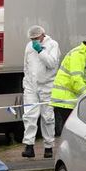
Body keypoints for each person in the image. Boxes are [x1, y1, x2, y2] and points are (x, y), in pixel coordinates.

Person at [50, 32, 86, 136]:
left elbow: (84, 80)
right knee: (72, 133)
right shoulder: (79, 54)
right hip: (66, 101)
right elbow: (76, 80)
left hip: (72, 99)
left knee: (75, 133)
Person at [21, 26, 60, 158]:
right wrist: (26, 84)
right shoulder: (29, 46)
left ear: (43, 35)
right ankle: (29, 146)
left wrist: (41, 52)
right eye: (32, 39)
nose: (34, 41)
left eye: (36, 38)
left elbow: (52, 64)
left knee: (47, 117)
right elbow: (26, 66)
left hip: (47, 86)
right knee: (29, 116)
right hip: (31, 86)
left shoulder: (53, 45)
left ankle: (48, 147)